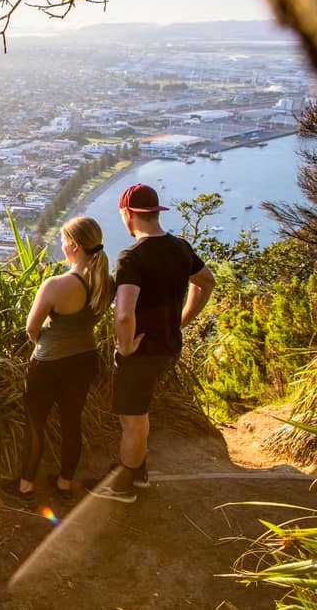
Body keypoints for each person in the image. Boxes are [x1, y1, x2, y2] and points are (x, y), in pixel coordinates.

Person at [91, 183, 215, 503]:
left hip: (141, 352)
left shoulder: (132, 256)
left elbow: (123, 314)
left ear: (128, 214)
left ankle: (123, 488)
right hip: (169, 347)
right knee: (141, 412)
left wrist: (124, 346)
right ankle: (139, 472)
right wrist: (182, 320)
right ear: (155, 213)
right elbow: (206, 283)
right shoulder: (181, 248)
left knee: (132, 420)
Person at [1, 216, 113, 503]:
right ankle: (65, 483)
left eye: (63, 240)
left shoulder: (56, 285)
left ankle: (26, 485)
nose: (61, 245)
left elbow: (31, 327)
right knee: (71, 422)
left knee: (36, 423)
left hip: (49, 364)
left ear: (74, 245)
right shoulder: (105, 282)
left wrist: (46, 345)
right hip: (85, 360)